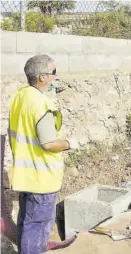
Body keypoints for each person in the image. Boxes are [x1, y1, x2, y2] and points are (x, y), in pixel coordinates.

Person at [8, 55, 79, 253]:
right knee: (37, 228)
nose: (57, 77)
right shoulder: (41, 104)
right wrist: (69, 143)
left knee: (26, 223)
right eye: (53, 73)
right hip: (42, 179)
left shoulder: (21, 96)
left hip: (26, 176)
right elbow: (48, 144)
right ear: (41, 77)